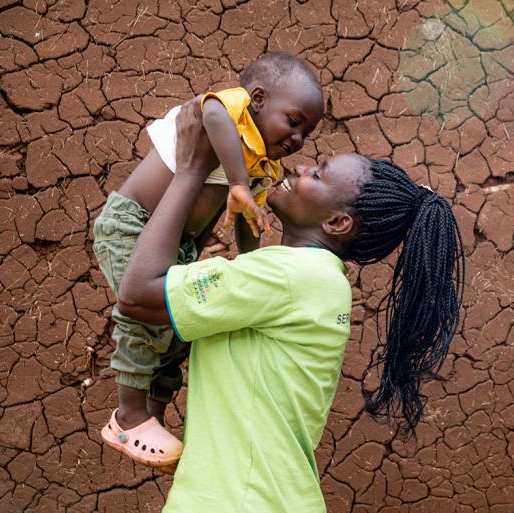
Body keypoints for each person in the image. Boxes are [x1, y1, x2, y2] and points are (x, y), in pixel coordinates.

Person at [114, 99, 465, 511]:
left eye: (317, 175)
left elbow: (136, 293)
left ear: (336, 223)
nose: (299, 167)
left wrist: (191, 170)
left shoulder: (286, 276)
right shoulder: (319, 282)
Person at [93, 51, 324, 468]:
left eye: (306, 132)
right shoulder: (229, 111)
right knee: (142, 316)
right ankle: (127, 415)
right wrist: (237, 181)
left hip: (177, 246)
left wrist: (254, 260)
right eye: (293, 121)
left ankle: (155, 411)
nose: (298, 140)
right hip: (131, 225)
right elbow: (212, 111)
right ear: (257, 98)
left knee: (182, 328)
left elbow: (245, 219)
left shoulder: (262, 164)